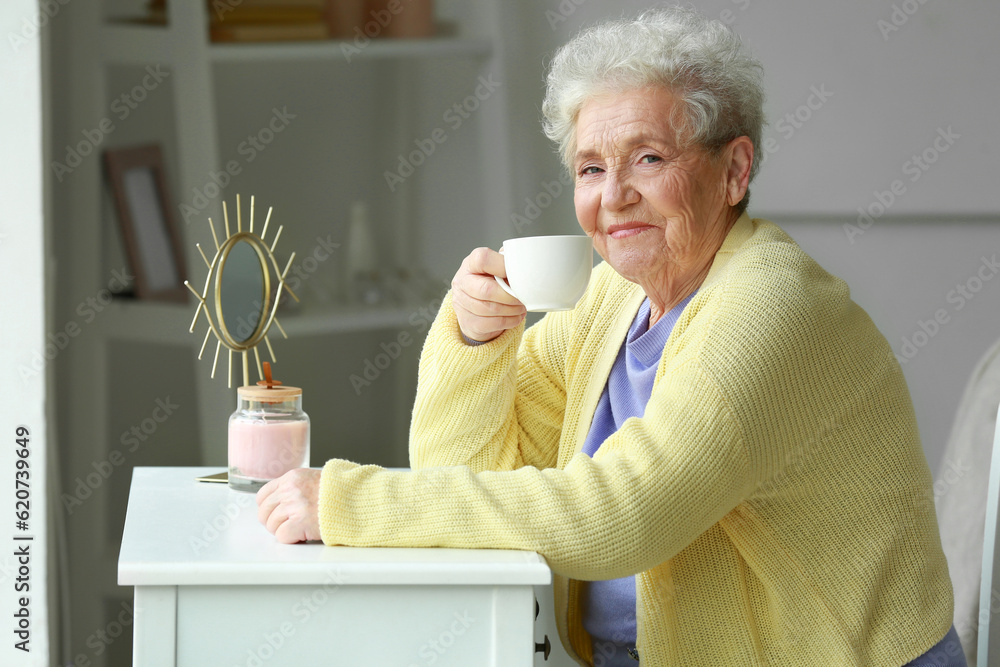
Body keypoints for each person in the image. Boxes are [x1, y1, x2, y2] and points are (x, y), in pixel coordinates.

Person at [257, 6, 963, 665]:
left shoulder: (769, 308)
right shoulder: (615, 297)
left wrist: (353, 503)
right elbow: (465, 468)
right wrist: (475, 344)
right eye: (591, 168)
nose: (614, 194)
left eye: (648, 159)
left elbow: (625, 512)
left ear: (734, 169)